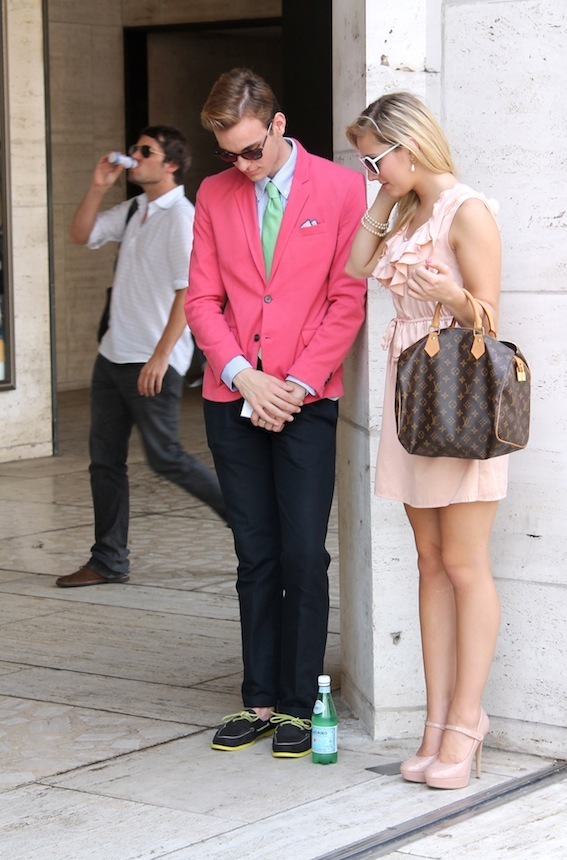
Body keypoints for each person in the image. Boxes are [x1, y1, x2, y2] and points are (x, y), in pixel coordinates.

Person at [185, 68, 366, 758]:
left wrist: (292, 385)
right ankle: (258, 697)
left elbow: (346, 299)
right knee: (254, 552)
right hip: (232, 395)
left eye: (252, 150)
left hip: (305, 399)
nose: (242, 165)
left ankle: (298, 703)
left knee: (303, 555)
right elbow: (202, 299)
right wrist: (243, 376)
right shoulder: (214, 193)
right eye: (228, 153)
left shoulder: (343, 188)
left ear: (279, 124)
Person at [346, 92, 506, 789]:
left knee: (465, 564)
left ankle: (468, 721)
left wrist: (447, 295)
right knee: (430, 562)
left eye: (374, 160)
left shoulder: (467, 211)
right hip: (413, 398)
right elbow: (356, 266)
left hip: (459, 401)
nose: (370, 172)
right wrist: (384, 198)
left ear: (407, 146)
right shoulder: (408, 212)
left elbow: (490, 319)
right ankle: (436, 722)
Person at [56, 125, 227, 589]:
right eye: (135, 148)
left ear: (171, 164)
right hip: (112, 355)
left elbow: (189, 293)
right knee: (104, 462)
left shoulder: (182, 218)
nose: (134, 155)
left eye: (145, 151)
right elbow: (81, 234)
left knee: (166, 457)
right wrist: (98, 186)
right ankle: (108, 561)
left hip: (152, 361)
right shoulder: (135, 209)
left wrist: (160, 357)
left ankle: (251, 524)